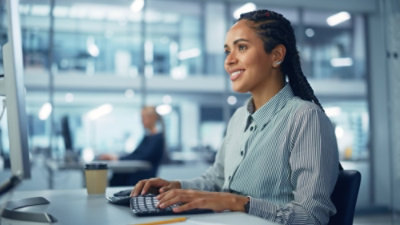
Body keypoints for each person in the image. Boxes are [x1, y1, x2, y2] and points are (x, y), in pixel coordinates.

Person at [131, 9, 339, 225]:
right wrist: (176, 187)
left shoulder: (306, 118)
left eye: (241, 47)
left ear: (276, 55)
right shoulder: (239, 118)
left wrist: (237, 202)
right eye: (227, 51)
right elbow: (216, 179)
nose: (229, 61)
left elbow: (312, 217)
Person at [99, 106, 166, 186]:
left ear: (152, 118)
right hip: (137, 174)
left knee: (118, 178)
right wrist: (117, 157)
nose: (141, 121)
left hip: (143, 177)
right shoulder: (147, 137)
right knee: (116, 176)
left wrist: (118, 158)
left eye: (143, 117)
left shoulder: (157, 138)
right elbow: (135, 154)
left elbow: (143, 157)